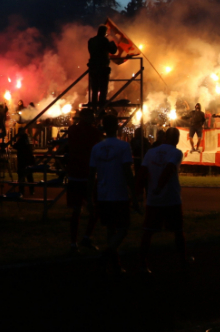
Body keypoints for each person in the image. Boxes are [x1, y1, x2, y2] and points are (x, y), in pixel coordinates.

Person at [88, 115, 137, 273]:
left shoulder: (96, 148)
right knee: (123, 228)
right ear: (117, 127)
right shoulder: (123, 147)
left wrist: (89, 197)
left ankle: (115, 264)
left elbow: (91, 174)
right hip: (119, 193)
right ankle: (108, 254)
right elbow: (127, 171)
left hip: (103, 193)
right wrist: (134, 192)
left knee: (110, 229)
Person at [138, 127, 187, 273]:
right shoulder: (176, 152)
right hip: (171, 198)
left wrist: (137, 192)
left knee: (148, 232)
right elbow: (170, 169)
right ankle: (183, 261)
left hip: (153, 199)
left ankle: (142, 263)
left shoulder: (150, 152)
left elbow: (142, 172)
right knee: (178, 231)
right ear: (177, 139)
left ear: (165, 137)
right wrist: (160, 187)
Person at [65, 110, 101, 252]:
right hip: (87, 173)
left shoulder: (72, 129)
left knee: (76, 210)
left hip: (74, 173)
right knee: (95, 207)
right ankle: (86, 237)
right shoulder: (93, 132)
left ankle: (74, 243)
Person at [87, 25, 118, 110]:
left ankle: (93, 108)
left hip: (93, 68)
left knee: (94, 89)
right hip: (102, 68)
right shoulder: (104, 40)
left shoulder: (91, 41)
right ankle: (101, 109)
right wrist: (113, 43)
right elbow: (113, 51)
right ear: (104, 32)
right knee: (103, 89)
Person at [13, 128, 35, 197]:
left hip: (23, 159)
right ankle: (32, 190)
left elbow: (15, 146)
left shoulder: (22, 139)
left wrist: (15, 140)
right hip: (29, 159)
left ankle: (21, 190)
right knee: (29, 176)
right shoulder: (28, 138)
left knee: (21, 176)